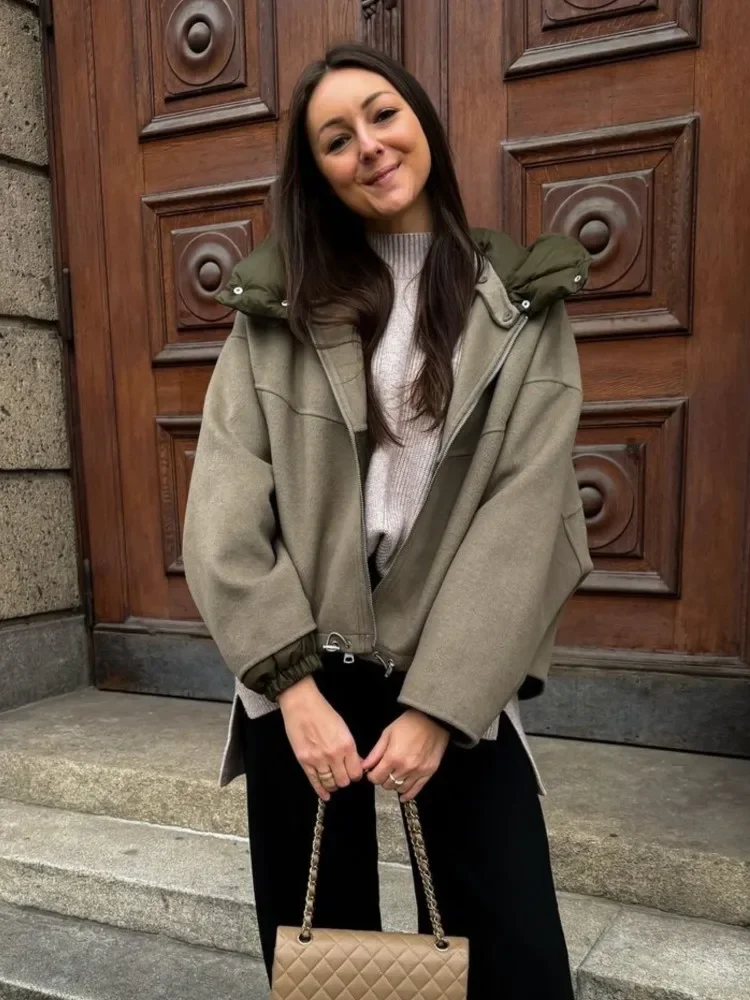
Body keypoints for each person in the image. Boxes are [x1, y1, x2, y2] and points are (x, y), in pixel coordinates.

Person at [182, 42, 592, 1000]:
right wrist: (292, 690)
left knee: (514, 947)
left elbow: (528, 511)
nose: (366, 146)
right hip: (299, 659)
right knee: (324, 953)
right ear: (317, 173)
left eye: (381, 115)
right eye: (335, 139)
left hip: (454, 653)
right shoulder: (276, 310)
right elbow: (224, 506)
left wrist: (441, 706)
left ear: (421, 123)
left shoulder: (520, 304)